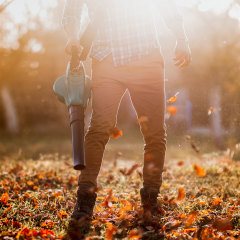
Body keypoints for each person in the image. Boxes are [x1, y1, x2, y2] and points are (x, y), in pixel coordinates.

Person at [62, 0, 191, 223]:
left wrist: (182, 38)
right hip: (105, 59)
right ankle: (85, 198)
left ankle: (150, 199)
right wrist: (73, 36)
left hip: (146, 57)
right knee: (99, 128)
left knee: (154, 132)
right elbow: (73, 8)